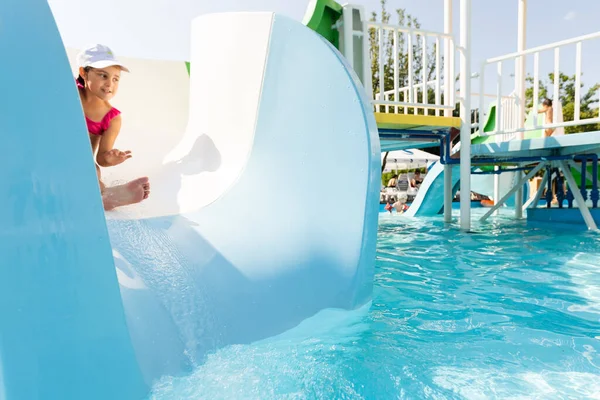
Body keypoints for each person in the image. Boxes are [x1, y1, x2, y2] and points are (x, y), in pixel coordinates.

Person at [76, 44, 150, 210]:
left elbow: (101, 159)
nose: (110, 84)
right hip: (54, 151)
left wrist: (110, 158)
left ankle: (106, 197)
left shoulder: (112, 118)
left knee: (92, 172)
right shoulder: (70, 91)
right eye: (103, 75)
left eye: (116, 79)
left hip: (81, 161)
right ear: (83, 72)